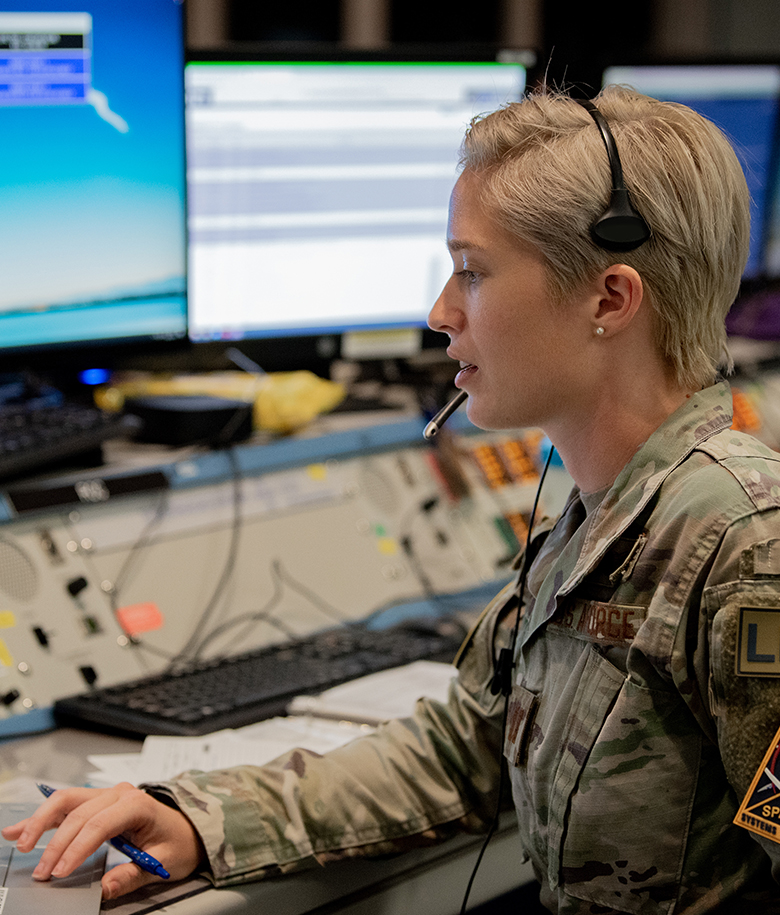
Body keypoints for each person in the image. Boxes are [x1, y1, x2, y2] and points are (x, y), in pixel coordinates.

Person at [5, 84, 780, 913]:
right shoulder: (599, 518)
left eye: (472, 272)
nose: (441, 312)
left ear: (610, 298)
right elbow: (464, 750)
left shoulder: (741, 546)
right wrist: (198, 814)